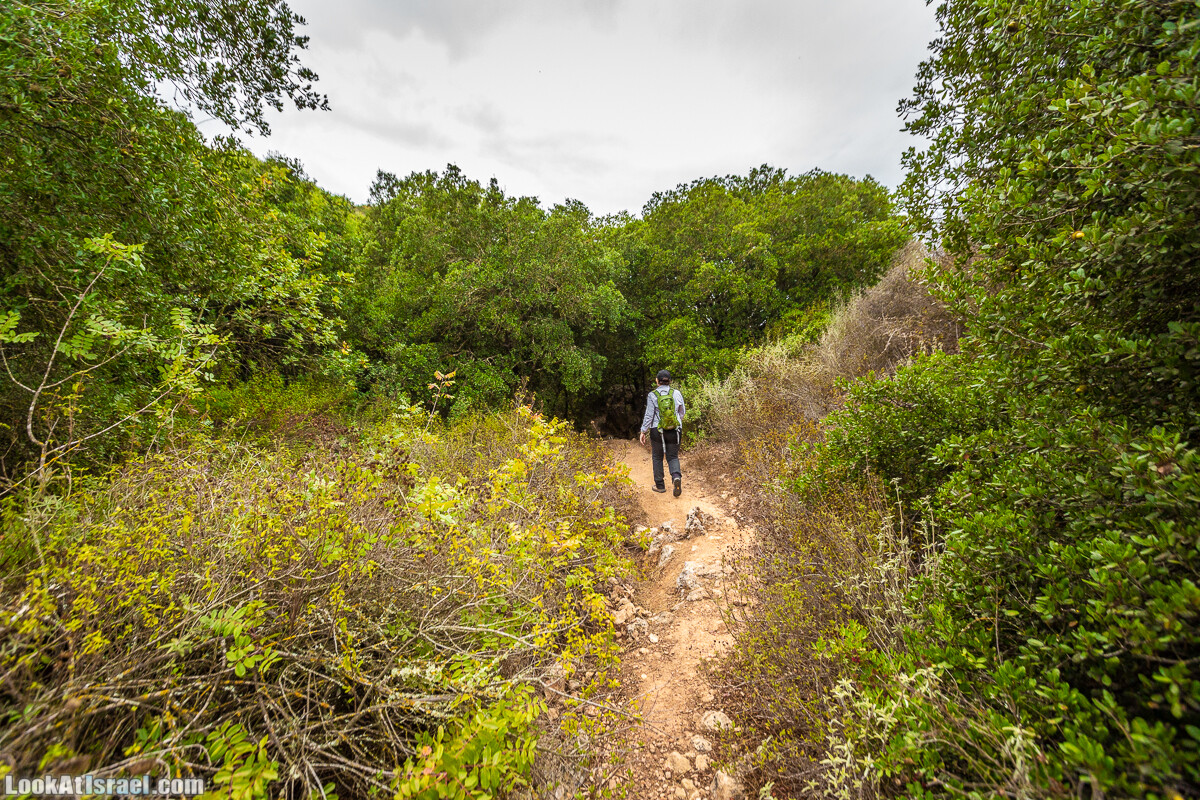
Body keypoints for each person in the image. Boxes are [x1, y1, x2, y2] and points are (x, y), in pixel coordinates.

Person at [639, 369, 686, 496]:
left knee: (657, 457)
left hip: (657, 430)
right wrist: (675, 423)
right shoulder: (676, 393)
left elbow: (649, 416)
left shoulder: (652, 395)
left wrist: (643, 431)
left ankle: (660, 486)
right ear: (670, 381)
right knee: (673, 456)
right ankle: (676, 477)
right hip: (675, 430)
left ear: (657, 381)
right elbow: (682, 412)